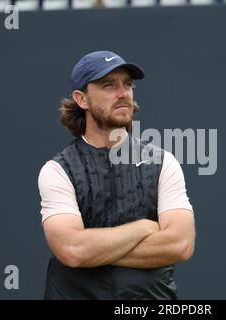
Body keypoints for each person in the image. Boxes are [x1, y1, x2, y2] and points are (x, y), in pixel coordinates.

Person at [37, 51, 195, 300]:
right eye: (108, 85)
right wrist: (144, 228)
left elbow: (180, 244)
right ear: (82, 99)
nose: (123, 93)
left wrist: (96, 251)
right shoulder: (57, 170)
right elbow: (72, 250)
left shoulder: (164, 163)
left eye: (127, 84)